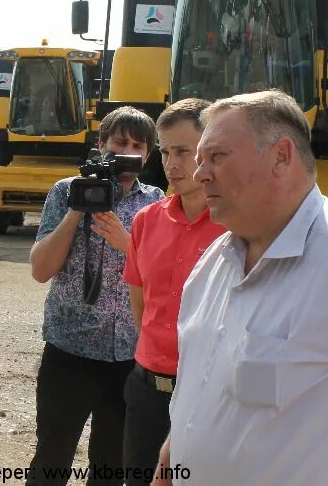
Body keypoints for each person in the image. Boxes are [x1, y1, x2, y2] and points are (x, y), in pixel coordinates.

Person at [152, 90, 328, 485]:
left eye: (217, 157)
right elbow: (201, 391)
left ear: (281, 156)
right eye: (200, 160)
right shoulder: (214, 263)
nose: (200, 173)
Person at [27, 106, 165, 485]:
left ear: (149, 154)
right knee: (51, 459)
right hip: (70, 350)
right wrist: (76, 211)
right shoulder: (65, 191)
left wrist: (128, 244)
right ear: (101, 144)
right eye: (120, 142)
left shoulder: (155, 202)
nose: (128, 152)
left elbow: (164, 280)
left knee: (110, 466)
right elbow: (41, 270)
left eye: (139, 145)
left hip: (128, 356)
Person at [121, 99, 225, 486]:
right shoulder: (146, 221)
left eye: (183, 151)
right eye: (165, 151)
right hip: (147, 390)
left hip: (208, 393)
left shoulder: (236, 228)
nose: (171, 163)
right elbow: (140, 302)